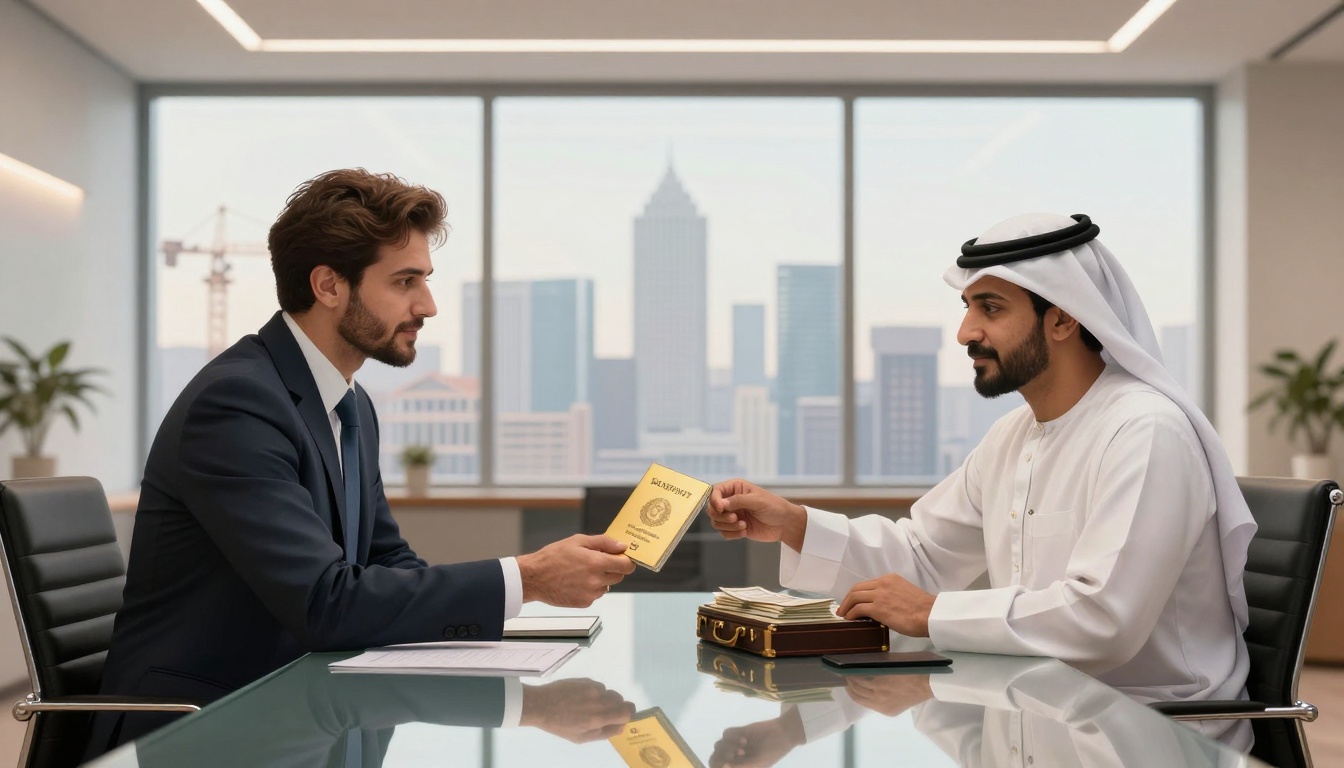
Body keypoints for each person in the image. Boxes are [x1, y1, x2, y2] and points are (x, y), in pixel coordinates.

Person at [89, 169, 635, 753]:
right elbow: (327, 602)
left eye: (424, 280)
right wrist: (529, 578)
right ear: (328, 285)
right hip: (201, 727)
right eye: (404, 281)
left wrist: (512, 634)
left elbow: (385, 561)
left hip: (304, 715)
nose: (426, 305)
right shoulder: (237, 403)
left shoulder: (350, 402)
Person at [707, 213, 1256, 748]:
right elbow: (922, 555)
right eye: (968, 307)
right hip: (1034, 711)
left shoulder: (1146, 432)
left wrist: (931, 613)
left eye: (990, 309)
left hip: (1149, 735)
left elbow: (1102, 619)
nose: (966, 332)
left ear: (1063, 319)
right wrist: (795, 525)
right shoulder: (1013, 436)